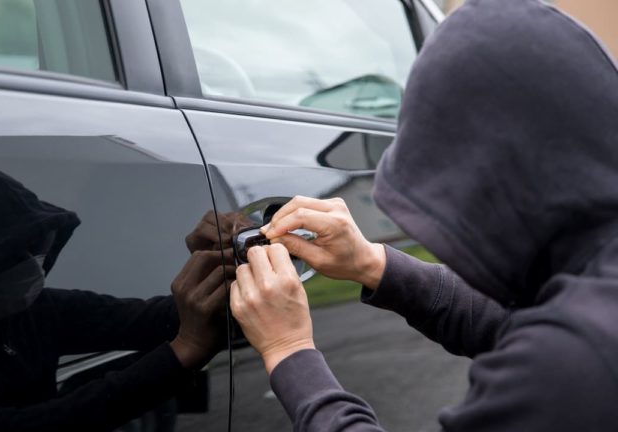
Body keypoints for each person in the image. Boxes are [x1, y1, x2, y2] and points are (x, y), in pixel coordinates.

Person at [230, 0, 618, 430]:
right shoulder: (598, 299)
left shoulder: (578, 364)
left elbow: (550, 352)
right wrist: (371, 263)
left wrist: (289, 351)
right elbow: (510, 325)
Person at [0, 162, 229, 431]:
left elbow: (148, 319)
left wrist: (231, 265)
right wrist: (184, 352)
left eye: (34, 250)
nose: (30, 268)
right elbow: (36, 424)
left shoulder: (19, 313)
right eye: (7, 259)